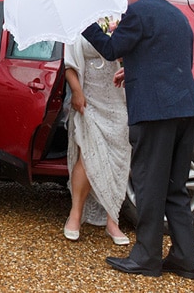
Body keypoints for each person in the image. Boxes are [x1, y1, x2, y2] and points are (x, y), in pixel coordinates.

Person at [80, 0, 194, 280]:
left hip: (155, 112)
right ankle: (184, 258)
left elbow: (110, 49)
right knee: (175, 188)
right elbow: (173, 61)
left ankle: (147, 257)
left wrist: (83, 23)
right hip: (185, 109)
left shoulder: (137, 13)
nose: (123, 1)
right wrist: (134, 69)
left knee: (149, 185)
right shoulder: (178, 15)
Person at [62, 34, 131, 246]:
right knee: (88, 153)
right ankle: (75, 215)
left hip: (117, 96)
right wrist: (76, 91)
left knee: (118, 158)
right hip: (89, 97)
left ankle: (113, 220)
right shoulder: (75, 24)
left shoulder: (119, 19)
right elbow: (69, 65)